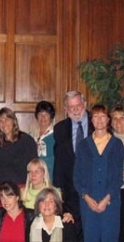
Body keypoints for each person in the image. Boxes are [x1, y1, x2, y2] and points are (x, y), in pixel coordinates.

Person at [74, 104, 123, 242]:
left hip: (110, 202)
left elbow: (118, 176)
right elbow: (77, 176)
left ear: (108, 120)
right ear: (91, 120)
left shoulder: (117, 144)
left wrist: (106, 199)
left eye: (103, 116)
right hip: (88, 203)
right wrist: (87, 198)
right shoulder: (83, 145)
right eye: (95, 116)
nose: (99, 120)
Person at [53, 90, 93, 241]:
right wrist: (58, 190)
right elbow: (59, 162)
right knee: (74, 232)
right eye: (71, 107)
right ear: (65, 109)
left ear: (85, 104)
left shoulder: (98, 124)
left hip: (95, 190)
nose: (76, 110)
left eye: (79, 105)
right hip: (71, 191)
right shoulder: (60, 129)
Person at [0, 107, 37, 208]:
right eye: (1, 121)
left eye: (7, 119)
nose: (4, 123)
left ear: (14, 121)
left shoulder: (26, 140)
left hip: (20, 189)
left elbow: (34, 166)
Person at [30, 101, 55, 182]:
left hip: (50, 177)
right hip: (34, 178)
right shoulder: (31, 136)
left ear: (51, 117)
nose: (43, 117)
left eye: (46, 114)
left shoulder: (56, 135)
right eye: (40, 114)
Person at [110, 104, 124, 242]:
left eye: (122, 118)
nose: (118, 121)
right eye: (115, 118)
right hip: (112, 191)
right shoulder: (107, 140)